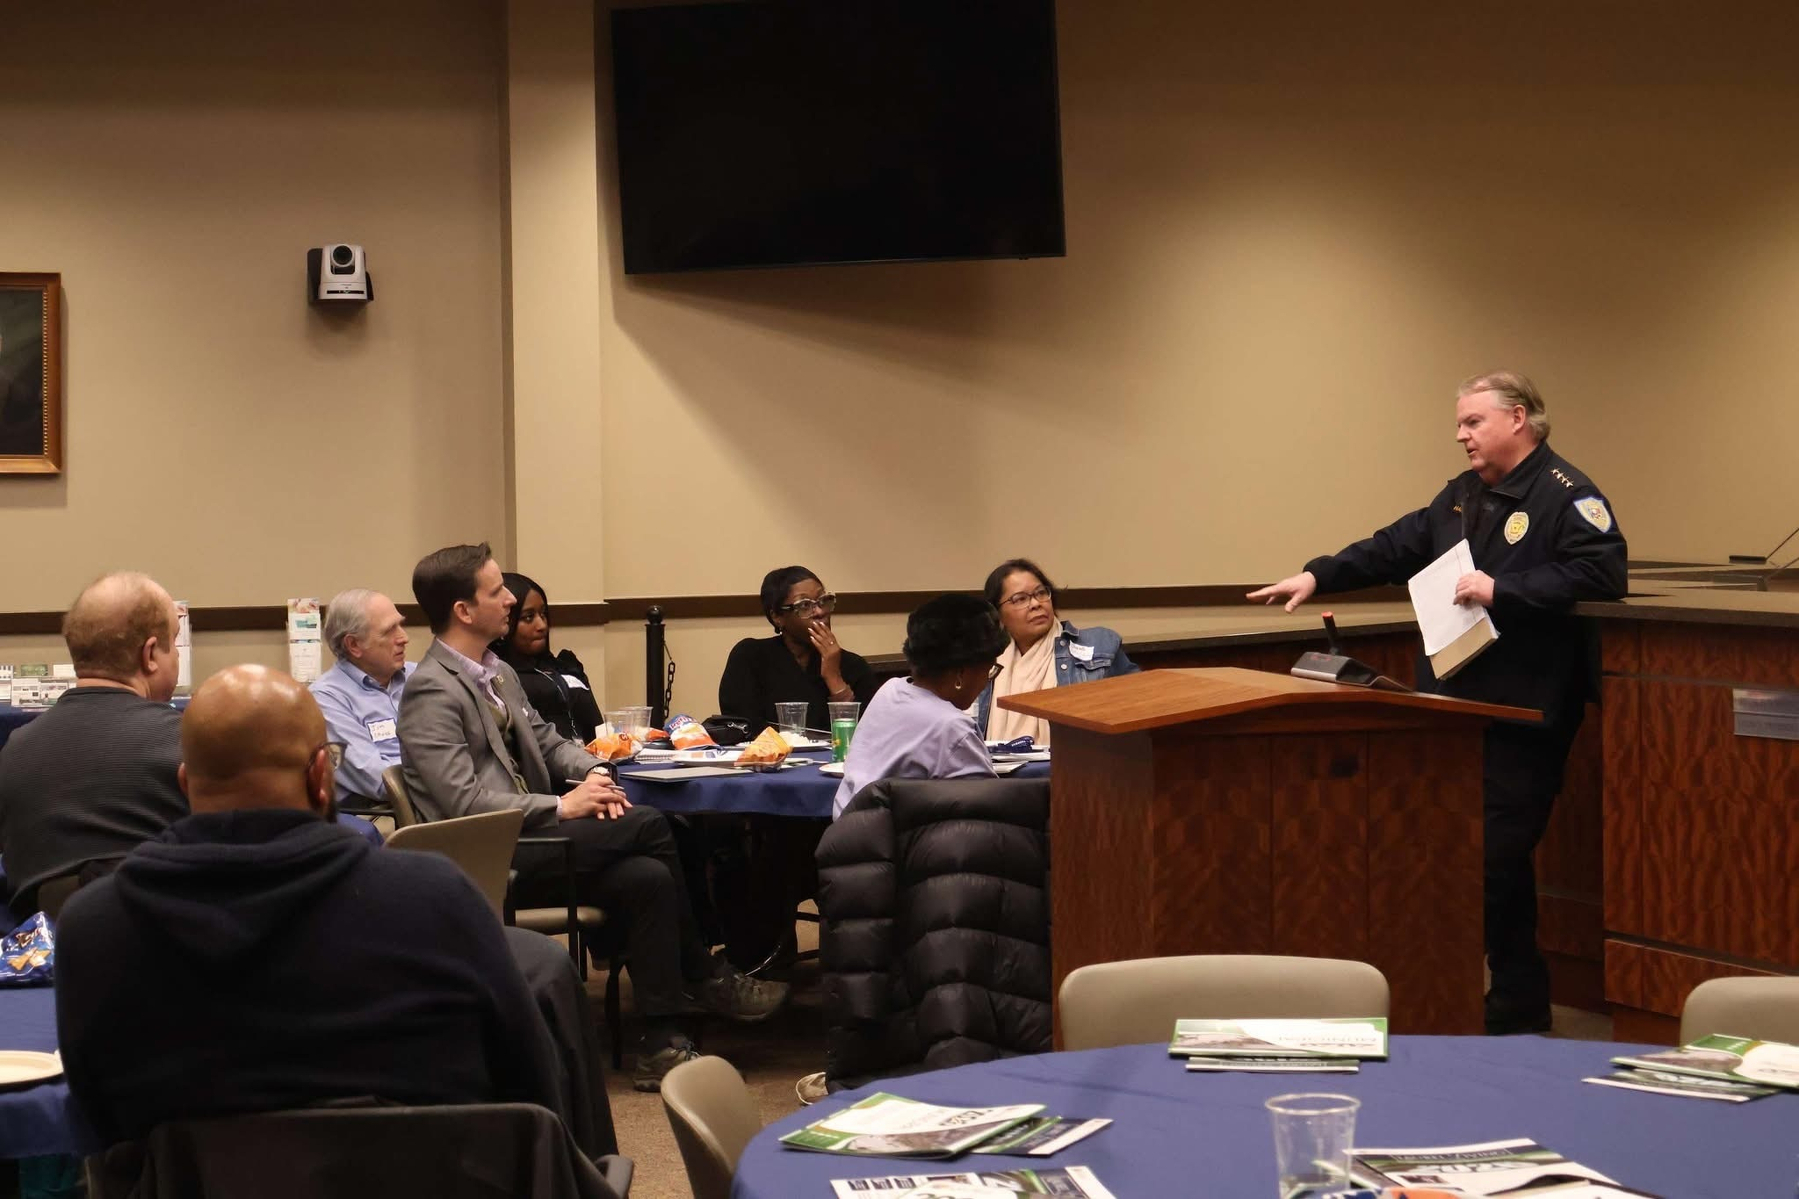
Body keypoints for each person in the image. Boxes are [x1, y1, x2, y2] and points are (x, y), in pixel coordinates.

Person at [1248, 370, 1627, 1036]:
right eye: (1458, 424)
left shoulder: (1565, 493)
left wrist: (1499, 588)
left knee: (1485, 860)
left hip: (1523, 715)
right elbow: (1394, 545)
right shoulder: (1460, 497)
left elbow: (1601, 570)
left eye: (1471, 422)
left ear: (1516, 419)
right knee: (1483, 861)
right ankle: (1518, 1000)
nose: (1460, 435)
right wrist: (1318, 572)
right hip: (1454, 710)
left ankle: (1444, 995)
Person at [53, 665, 576, 1147]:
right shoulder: (435, 899)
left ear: (186, 784)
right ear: (321, 774)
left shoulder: (95, 927)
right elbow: (531, 1093)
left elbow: (100, 1131)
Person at [397, 543, 788, 1090]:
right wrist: (563, 804)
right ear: (464, 611)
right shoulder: (430, 692)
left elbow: (549, 744)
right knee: (652, 825)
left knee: (646, 877)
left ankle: (662, 1042)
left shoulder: (497, 671)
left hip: (534, 839)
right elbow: (461, 804)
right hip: (492, 855)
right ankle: (703, 972)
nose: (510, 598)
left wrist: (597, 773)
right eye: (496, 591)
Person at [0, 572, 186, 914]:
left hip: (48, 961)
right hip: (168, 954)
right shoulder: (189, 744)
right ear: (150, 655)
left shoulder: (12, 754)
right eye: (173, 642)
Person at [830, 594, 1004, 819]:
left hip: (849, 837)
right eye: (989, 670)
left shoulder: (890, 690)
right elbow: (988, 810)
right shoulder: (951, 727)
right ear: (960, 674)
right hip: (903, 847)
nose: (987, 680)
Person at [972, 558, 1140, 745]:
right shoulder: (982, 663)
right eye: (1020, 599)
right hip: (997, 771)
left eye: (1041, 593)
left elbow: (1141, 704)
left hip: (1074, 766)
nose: (1036, 603)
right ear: (997, 613)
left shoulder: (1100, 645)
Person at [719, 566, 881, 734]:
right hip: (769, 757)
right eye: (804, 605)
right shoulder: (751, 656)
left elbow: (867, 734)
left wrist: (834, 677)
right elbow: (741, 726)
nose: (819, 611)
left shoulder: (852, 665)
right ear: (777, 616)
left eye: (823, 601)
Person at [310, 587, 414, 809]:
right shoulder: (327, 699)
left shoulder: (421, 677)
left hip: (442, 799)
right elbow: (379, 781)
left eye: (401, 625)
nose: (404, 638)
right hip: (380, 814)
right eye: (389, 631)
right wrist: (443, 771)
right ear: (354, 645)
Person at [492, 571, 604, 743]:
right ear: (506, 621)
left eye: (543, 614)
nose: (542, 625)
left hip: (593, 760)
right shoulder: (500, 679)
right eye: (528, 618)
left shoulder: (565, 666)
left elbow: (597, 729)